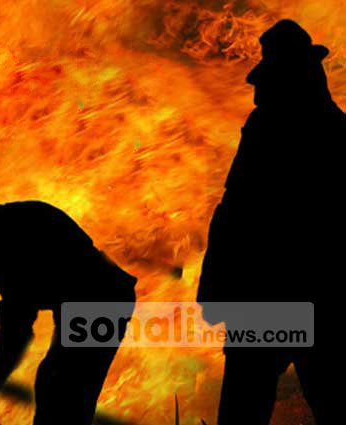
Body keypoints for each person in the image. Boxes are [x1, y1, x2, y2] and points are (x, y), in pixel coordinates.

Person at [197, 19, 337, 424]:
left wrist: (214, 289)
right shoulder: (336, 129)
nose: (259, 90)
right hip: (318, 294)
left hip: (268, 295)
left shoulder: (267, 128)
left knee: (244, 404)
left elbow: (236, 213)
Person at [0, 196, 136, 425]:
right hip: (94, 300)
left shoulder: (3, 245)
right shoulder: (2, 227)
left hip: (100, 302)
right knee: (57, 384)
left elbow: (17, 323)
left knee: (64, 390)